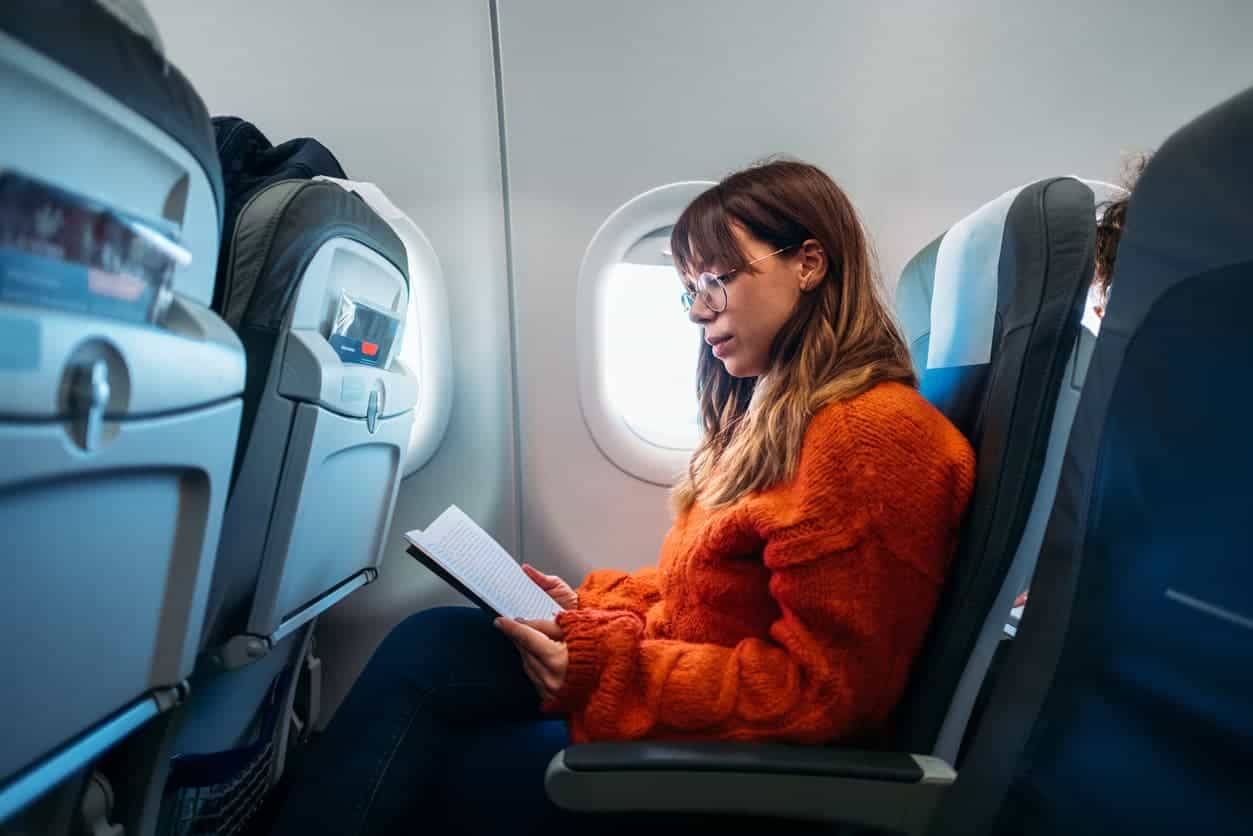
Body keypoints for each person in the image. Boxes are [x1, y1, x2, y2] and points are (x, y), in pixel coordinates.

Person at [269, 159, 976, 836]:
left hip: (751, 773)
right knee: (436, 642)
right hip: (701, 718)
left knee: (434, 769)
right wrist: (585, 612)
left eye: (717, 281)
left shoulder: (867, 438)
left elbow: (824, 696)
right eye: (687, 290)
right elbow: (706, 599)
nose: (698, 312)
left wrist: (607, 666)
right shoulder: (783, 420)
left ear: (808, 264)